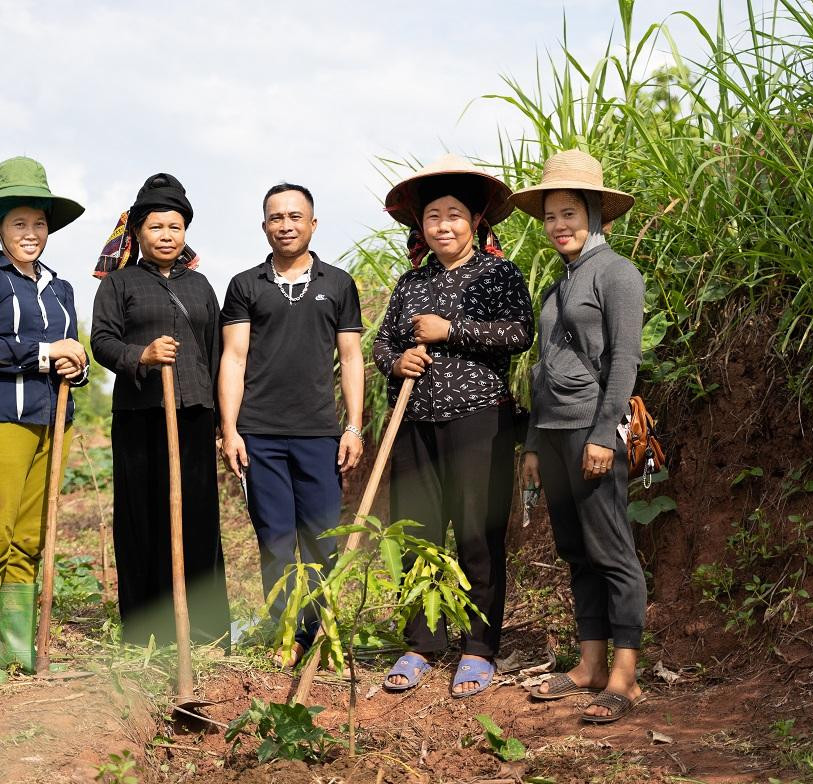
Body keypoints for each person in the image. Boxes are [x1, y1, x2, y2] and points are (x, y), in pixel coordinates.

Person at [373, 154, 534, 698]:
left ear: (475, 221)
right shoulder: (410, 282)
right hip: (415, 421)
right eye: (433, 217)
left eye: (454, 216)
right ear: (421, 226)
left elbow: (519, 333)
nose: (443, 226)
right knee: (416, 532)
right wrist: (396, 362)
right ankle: (421, 643)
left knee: (477, 534)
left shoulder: (498, 274)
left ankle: (478, 648)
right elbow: (382, 344)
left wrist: (450, 330)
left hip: (479, 420)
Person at [512, 149, 647, 724]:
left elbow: (624, 362)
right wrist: (533, 445)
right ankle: (590, 664)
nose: (558, 225)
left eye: (569, 213)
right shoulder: (557, 286)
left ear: (594, 213)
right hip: (554, 433)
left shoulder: (617, 273)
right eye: (550, 216)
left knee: (612, 550)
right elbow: (542, 369)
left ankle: (625, 676)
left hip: (592, 431)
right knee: (577, 551)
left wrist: (602, 434)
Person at [0, 156, 90, 688]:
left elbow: (72, 354)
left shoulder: (61, 288)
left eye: (39, 223)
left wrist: (75, 365)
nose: (31, 233)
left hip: (54, 423)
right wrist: (45, 353)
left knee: (30, 539)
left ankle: (17, 646)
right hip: (1, 421)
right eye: (19, 223)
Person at [219, 183, 365, 668]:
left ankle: (321, 630)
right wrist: (230, 429)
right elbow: (234, 358)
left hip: (320, 433)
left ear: (313, 224)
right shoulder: (245, 285)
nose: (286, 225)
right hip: (259, 433)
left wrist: (354, 427)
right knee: (276, 539)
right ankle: (288, 632)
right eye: (276, 217)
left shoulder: (338, 284)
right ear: (265, 226)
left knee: (322, 536)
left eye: (295, 216)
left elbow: (351, 358)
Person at [89, 173, 231, 650]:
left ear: (185, 232)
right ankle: (145, 630)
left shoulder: (201, 286)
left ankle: (205, 629)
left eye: (175, 227)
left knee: (198, 515)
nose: (167, 235)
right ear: (138, 232)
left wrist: (220, 420)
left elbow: (215, 353)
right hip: (140, 415)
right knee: (142, 514)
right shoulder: (119, 283)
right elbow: (102, 341)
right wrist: (141, 356)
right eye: (156, 227)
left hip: (194, 414)